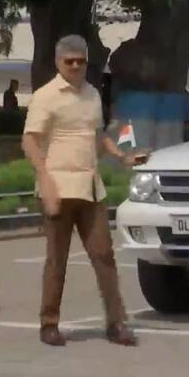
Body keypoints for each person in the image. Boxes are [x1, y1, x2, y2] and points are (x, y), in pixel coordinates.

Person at [22, 35, 148, 347]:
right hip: (57, 188)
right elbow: (30, 141)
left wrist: (122, 156)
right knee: (57, 260)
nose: (76, 66)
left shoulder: (92, 94)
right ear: (58, 62)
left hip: (90, 189)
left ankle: (116, 323)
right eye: (70, 61)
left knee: (104, 255)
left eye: (81, 61)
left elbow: (98, 136)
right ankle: (49, 323)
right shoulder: (45, 96)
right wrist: (44, 179)